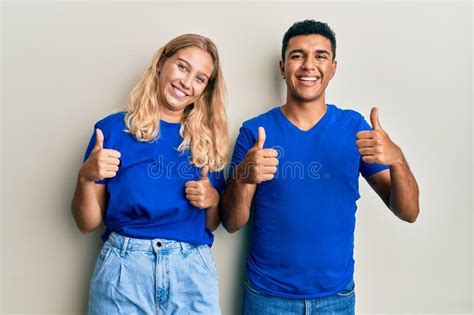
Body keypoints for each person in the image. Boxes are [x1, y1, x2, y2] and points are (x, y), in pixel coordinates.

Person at [221, 20, 420, 314]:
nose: (308, 65)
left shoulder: (354, 128)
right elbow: (231, 222)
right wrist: (242, 178)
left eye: (320, 56)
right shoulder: (255, 132)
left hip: (335, 299)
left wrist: (397, 159)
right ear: (282, 66)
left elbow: (409, 212)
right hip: (267, 298)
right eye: (297, 55)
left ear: (334, 68)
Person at [71, 33, 228, 314]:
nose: (186, 82)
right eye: (182, 66)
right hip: (124, 271)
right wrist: (85, 177)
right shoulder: (110, 131)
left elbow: (212, 223)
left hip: (190, 271)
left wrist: (213, 199)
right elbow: (86, 223)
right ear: (160, 64)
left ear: (205, 89)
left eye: (200, 78)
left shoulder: (208, 139)